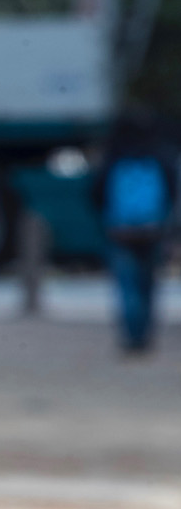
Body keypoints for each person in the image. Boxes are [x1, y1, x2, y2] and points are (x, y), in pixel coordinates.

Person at [91, 108, 176, 354]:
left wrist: (107, 217)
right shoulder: (160, 154)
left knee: (127, 284)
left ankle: (132, 335)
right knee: (148, 284)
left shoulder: (113, 156)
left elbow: (96, 192)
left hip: (120, 229)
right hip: (152, 229)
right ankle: (146, 334)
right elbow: (171, 192)